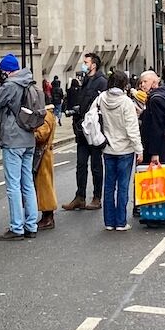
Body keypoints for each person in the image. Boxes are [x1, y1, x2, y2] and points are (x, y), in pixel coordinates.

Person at [0, 53, 40, 241]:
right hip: (29, 138)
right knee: (28, 184)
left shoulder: (10, 85)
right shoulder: (29, 82)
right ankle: (31, 225)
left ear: (7, 71)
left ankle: (17, 227)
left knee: (13, 185)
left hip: (14, 139)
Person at [95, 71, 143, 231]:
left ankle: (109, 222)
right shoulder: (126, 102)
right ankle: (121, 222)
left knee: (109, 186)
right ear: (124, 84)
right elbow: (132, 129)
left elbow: (92, 117)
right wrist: (139, 149)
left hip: (107, 148)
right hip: (125, 150)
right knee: (123, 186)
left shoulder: (101, 98)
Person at [65, 53, 108, 211]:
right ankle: (80, 197)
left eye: (86, 62)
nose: (83, 65)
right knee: (81, 165)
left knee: (96, 165)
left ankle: (97, 197)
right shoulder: (85, 80)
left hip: (94, 130)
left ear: (93, 65)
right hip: (82, 130)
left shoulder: (101, 82)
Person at [32, 101, 58, 230]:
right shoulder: (48, 114)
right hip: (44, 154)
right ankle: (46, 216)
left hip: (43, 154)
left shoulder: (45, 115)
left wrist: (30, 133)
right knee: (43, 185)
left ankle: (48, 217)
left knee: (44, 186)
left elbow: (41, 135)